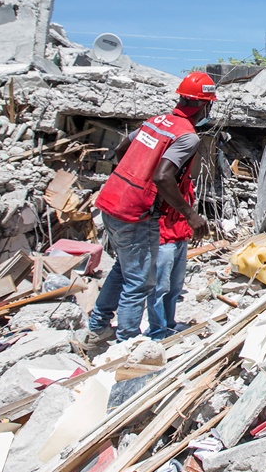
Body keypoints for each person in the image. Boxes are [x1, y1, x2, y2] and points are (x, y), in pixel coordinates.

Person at [87, 72, 215, 343]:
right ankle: (127, 346)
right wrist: (190, 215)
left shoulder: (155, 122)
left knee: (123, 268)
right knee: (140, 282)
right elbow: (163, 176)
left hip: (111, 200)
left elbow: (122, 148)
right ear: (205, 105)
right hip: (135, 213)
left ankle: (98, 326)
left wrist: (132, 176)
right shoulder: (187, 136)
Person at [145, 162, 194, 340]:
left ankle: (169, 325)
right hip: (163, 237)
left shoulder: (184, 174)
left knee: (174, 288)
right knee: (159, 289)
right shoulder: (163, 176)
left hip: (180, 235)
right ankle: (158, 333)